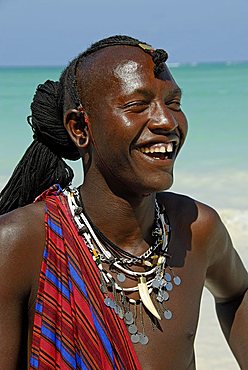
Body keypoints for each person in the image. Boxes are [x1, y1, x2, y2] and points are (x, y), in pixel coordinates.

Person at [0, 35, 247, 370]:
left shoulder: (196, 228)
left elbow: (236, 294)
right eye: (138, 105)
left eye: (174, 103)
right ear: (79, 128)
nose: (167, 122)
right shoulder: (21, 244)